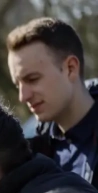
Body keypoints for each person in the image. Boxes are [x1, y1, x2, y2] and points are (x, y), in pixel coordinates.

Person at [7, 17, 98, 183]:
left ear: (71, 68)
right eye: (17, 85)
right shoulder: (30, 153)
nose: (23, 96)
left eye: (32, 79)